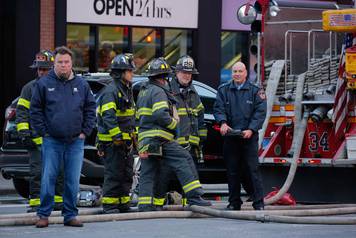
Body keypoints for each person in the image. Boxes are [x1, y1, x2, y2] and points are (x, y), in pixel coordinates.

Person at [30, 46, 96, 227]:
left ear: (71, 63)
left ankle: (70, 215)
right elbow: (35, 110)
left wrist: (85, 131)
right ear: (54, 64)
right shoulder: (44, 83)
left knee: (72, 180)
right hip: (52, 141)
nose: (63, 66)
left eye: (66, 62)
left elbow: (91, 109)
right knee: (48, 178)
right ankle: (43, 215)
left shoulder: (82, 84)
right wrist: (43, 131)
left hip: (76, 141)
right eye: (60, 62)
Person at [136, 57, 211, 212]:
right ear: (163, 77)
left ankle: (145, 205)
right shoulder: (159, 91)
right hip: (160, 139)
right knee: (184, 158)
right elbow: (160, 115)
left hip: (145, 139)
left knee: (148, 172)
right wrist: (174, 126)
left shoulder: (144, 91)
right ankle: (194, 197)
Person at [153, 55, 207, 208]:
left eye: (189, 73)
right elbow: (162, 117)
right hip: (171, 145)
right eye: (183, 72)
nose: (186, 76)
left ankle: (188, 206)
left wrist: (200, 140)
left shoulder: (194, 92)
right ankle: (156, 205)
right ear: (176, 73)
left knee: (189, 178)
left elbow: (201, 119)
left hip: (191, 147)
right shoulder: (168, 90)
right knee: (163, 177)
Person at [213, 62, 266, 211]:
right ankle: (234, 203)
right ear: (232, 73)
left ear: (245, 73)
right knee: (232, 171)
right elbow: (218, 108)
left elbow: (260, 112)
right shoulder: (223, 90)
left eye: (240, 71)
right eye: (234, 71)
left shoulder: (256, 91)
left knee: (252, 170)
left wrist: (251, 129)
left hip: (248, 137)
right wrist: (222, 123)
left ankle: (259, 203)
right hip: (231, 137)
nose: (237, 74)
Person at [15, 50, 64, 213]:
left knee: (58, 171)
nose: (41, 72)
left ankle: (57, 201)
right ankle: (36, 202)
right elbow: (21, 112)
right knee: (37, 172)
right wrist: (24, 133)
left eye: (45, 69)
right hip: (36, 140)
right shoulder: (29, 88)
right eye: (39, 69)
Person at [96, 53, 136, 214]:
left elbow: (131, 116)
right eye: (130, 71)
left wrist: (133, 136)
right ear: (121, 72)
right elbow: (108, 116)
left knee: (126, 174)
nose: (132, 73)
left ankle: (123, 203)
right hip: (112, 143)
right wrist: (117, 137)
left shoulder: (126, 89)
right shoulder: (111, 91)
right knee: (113, 174)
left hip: (125, 143)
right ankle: (110, 205)